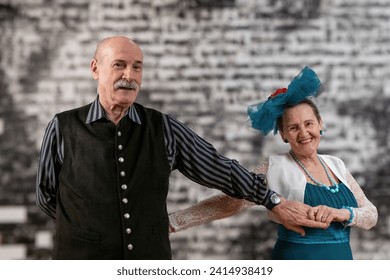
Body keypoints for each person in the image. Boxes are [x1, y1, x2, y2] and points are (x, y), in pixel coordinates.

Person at [36, 36, 327, 260]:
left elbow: (219, 168)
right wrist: (85, 229)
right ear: (95, 69)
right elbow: (46, 196)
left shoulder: (163, 128)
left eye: (137, 67)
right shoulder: (62, 127)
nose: (130, 75)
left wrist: (272, 200)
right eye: (119, 65)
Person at [169, 66, 378, 260]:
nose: (304, 133)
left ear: (320, 124)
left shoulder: (336, 164)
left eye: (309, 124)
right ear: (284, 135)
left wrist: (340, 213)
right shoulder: (275, 166)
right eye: (294, 128)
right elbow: (231, 201)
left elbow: (370, 215)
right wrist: (173, 222)